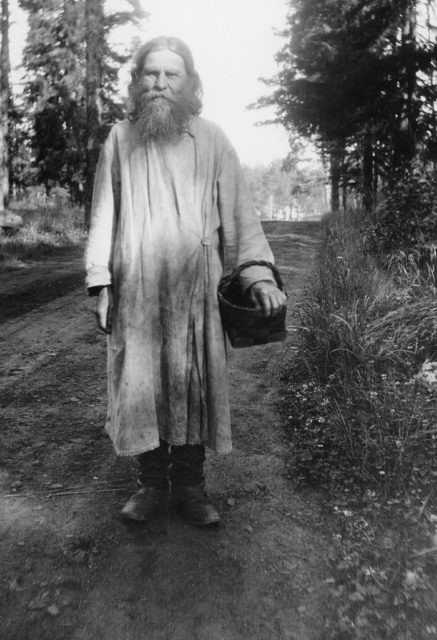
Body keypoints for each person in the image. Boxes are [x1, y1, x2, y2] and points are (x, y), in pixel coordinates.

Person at [85, 36, 287, 527]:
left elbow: (239, 215)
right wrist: (100, 281)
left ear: (189, 83)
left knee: (194, 378)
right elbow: (103, 215)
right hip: (137, 287)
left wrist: (259, 276)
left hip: (198, 288)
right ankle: (151, 486)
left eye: (171, 75)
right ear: (137, 83)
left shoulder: (212, 139)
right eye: (151, 74)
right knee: (141, 382)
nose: (160, 84)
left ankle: (192, 488)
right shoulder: (120, 139)